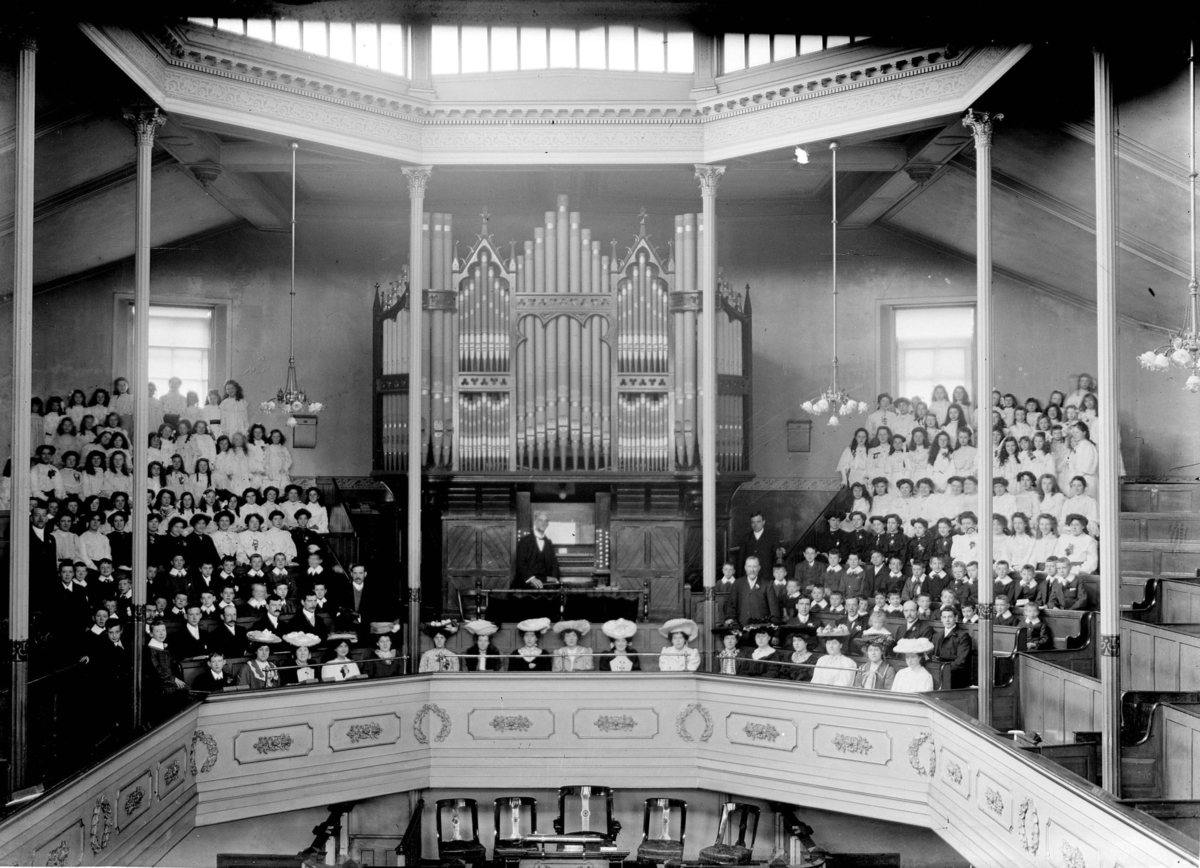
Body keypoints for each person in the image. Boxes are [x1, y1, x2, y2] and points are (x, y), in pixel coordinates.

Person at [721, 555, 781, 626]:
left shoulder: (767, 585)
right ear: (745, 568)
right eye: (749, 566)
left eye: (754, 566)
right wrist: (730, 619)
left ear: (759, 568)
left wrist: (772, 626)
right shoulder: (737, 584)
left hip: (761, 631)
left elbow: (774, 610)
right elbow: (731, 605)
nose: (752, 570)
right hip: (742, 628)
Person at [512, 511, 561, 589]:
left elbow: (554, 564)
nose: (543, 523)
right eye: (540, 520)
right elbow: (520, 563)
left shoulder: (548, 543)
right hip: (526, 581)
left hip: (544, 580)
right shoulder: (524, 541)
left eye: (545, 521)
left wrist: (554, 577)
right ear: (535, 522)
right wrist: (532, 579)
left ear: (547, 524)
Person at [933, 606, 973, 688]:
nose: (947, 620)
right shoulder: (937, 636)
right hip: (939, 671)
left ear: (956, 618)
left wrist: (944, 670)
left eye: (950, 617)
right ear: (941, 619)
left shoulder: (963, 636)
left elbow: (961, 662)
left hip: (955, 674)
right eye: (944, 617)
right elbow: (933, 656)